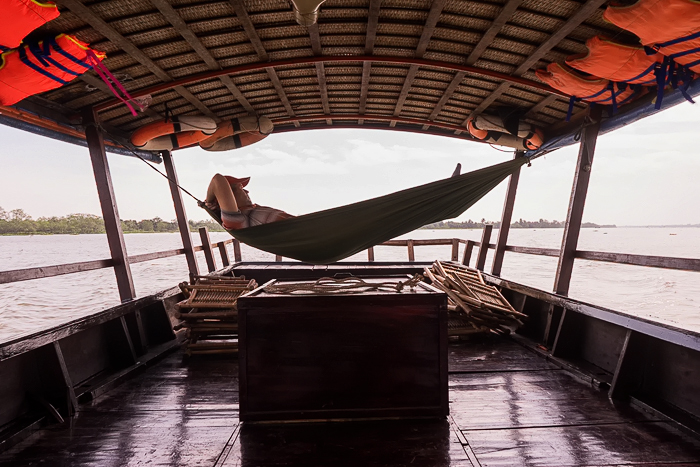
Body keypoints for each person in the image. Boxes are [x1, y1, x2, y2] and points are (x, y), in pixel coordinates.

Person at [203, 174, 295, 230]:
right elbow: (217, 180)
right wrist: (209, 202)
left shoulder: (253, 210)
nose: (247, 192)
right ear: (230, 197)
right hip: (300, 231)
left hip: (302, 226)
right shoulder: (237, 219)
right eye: (240, 188)